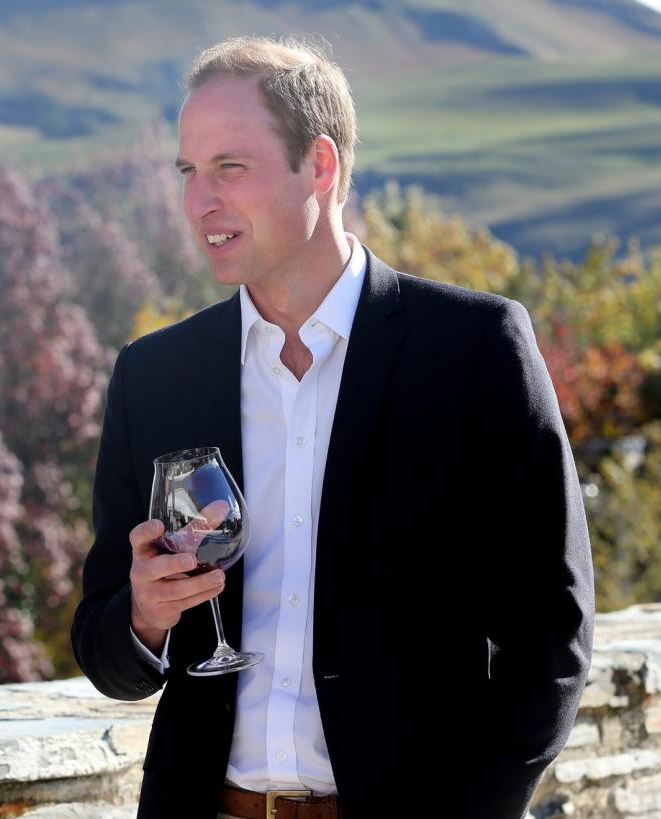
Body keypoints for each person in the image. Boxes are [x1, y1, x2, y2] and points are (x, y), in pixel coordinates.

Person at [71, 37, 594, 819]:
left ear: (320, 165)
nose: (197, 201)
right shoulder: (155, 375)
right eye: (188, 171)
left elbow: (550, 631)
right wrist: (144, 616)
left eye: (229, 168)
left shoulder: (473, 348)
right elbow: (104, 650)